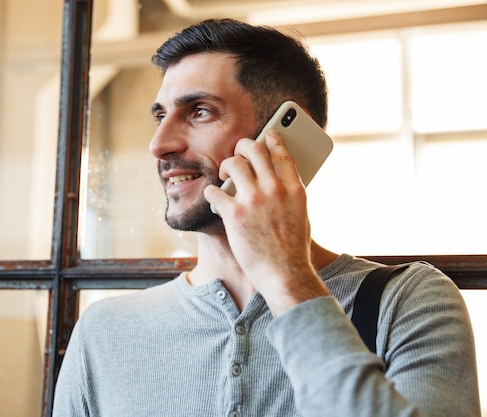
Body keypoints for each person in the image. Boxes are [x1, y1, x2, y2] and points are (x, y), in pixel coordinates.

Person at [52, 18, 480, 417]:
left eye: (199, 111)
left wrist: (286, 275)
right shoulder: (104, 332)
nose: (158, 144)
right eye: (161, 115)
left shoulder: (409, 302)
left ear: (285, 138)